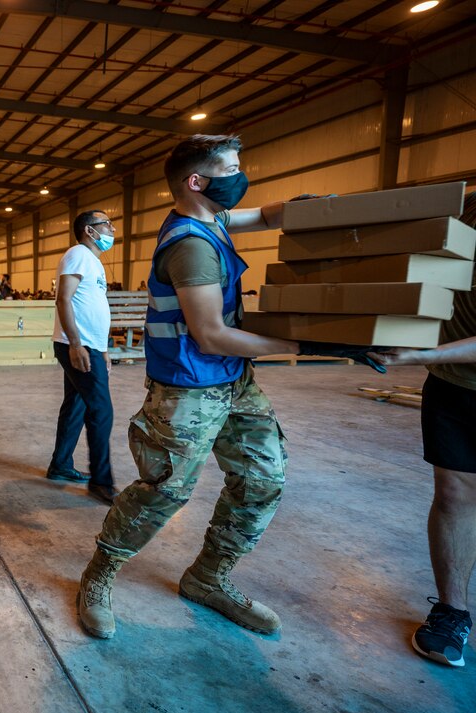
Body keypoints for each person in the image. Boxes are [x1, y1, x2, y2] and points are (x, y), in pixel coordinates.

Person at [74, 134, 380, 640]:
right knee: (164, 492)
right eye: (232, 169)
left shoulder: (209, 217)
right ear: (198, 182)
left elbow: (259, 216)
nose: (241, 178)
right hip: (188, 389)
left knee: (263, 478)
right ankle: (97, 577)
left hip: (235, 382)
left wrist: (299, 209)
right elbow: (212, 334)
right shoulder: (191, 246)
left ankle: (208, 578)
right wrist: (314, 346)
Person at [369, 193, 476, 668]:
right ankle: (453, 611)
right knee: (454, 494)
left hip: (441, 363)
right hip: (455, 383)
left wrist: (422, 355)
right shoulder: (463, 210)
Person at [47, 211, 117, 504]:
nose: (112, 229)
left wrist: (103, 349)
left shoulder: (93, 261)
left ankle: (61, 465)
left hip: (89, 345)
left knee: (76, 405)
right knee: (102, 411)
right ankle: (101, 481)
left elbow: (92, 306)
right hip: (77, 345)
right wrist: (76, 343)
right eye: (107, 225)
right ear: (90, 230)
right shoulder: (78, 254)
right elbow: (63, 298)